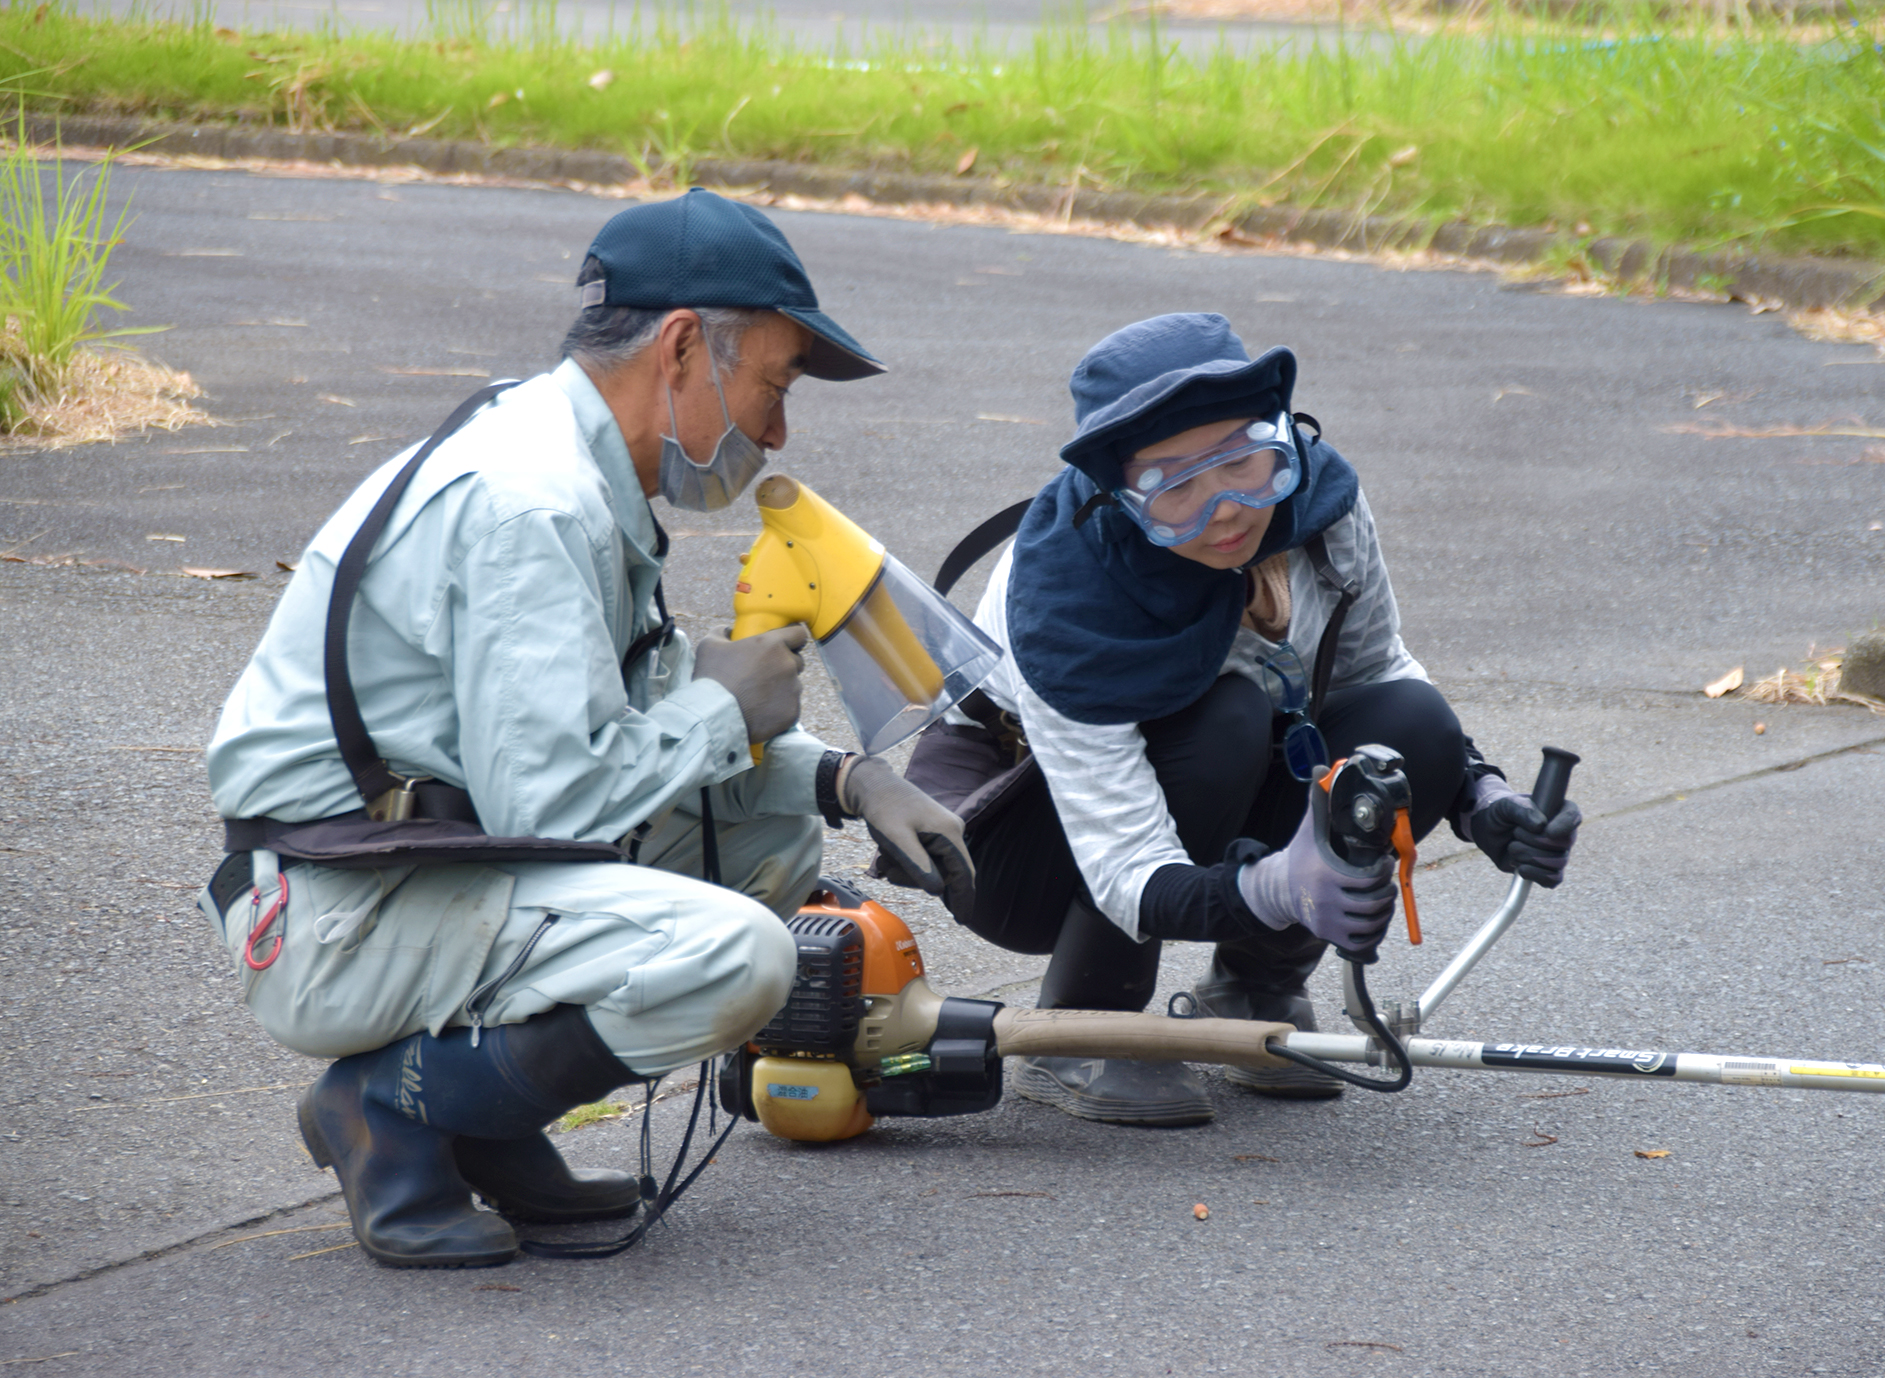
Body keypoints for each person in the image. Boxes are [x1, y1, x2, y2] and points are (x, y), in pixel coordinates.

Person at [199, 190, 971, 1268]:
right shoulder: (534, 502)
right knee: (741, 956)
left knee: (775, 840)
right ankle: (393, 1103)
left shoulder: (563, 458)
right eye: (775, 385)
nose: (780, 431)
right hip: (338, 913)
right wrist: (720, 710)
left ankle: (485, 1122)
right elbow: (556, 803)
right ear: (685, 346)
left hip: (416, 864)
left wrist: (846, 781)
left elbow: (620, 736)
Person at [906, 312, 1581, 1127]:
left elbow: (1376, 676)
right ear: (1121, 494)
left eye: (1241, 462)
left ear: (1282, 438)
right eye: (1173, 487)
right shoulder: (1064, 596)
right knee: (1222, 719)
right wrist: (1272, 886)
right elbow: (1121, 863)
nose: (1224, 510)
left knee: (1411, 724)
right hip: (1015, 835)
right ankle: (1083, 1027)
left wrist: (1483, 799)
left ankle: (1255, 985)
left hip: (1222, 755)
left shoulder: (1323, 509)